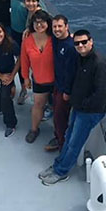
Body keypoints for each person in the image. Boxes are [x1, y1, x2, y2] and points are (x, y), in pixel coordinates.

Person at [39, 29, 106, 186]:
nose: (80, 45)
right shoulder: (81, 58)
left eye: (84, 42)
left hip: (89, 112)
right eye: (77, 43)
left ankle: (61, 172)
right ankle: (58, 164)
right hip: (78, 108)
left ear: (91, 41)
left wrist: (83, 105)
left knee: (74, 143)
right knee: (69, 137)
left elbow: (100, 93)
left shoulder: (99, 63)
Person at [9, 0, 46, 104]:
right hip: (15, 33)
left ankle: (40, 94)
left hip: (30, 36)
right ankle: (24, 89)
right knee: (20, 62)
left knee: (35, 64)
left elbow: (42, 14)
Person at [20, 10, 54, 143]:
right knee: (38, 105)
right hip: (39, 80)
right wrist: (25, 78)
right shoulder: (27, 41)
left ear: (48, 23)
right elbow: (24, 61)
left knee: (57, 107)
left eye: (42, 22)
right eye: (36, 23)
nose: (39, 25)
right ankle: (34, 129)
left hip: (56, 81)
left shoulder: (54, 38)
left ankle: (59, 134)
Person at [44, 14, 77, 152]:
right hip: (56, 84)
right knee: (57, 114)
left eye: (60, 26)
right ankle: (58, 137)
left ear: (67, 27)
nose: (57, 29)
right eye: (55, 26)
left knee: (60, 117)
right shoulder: (56, 39)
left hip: (64, 89)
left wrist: (67, 92)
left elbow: (71, 72)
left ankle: (62, 145)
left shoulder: (70, 47)